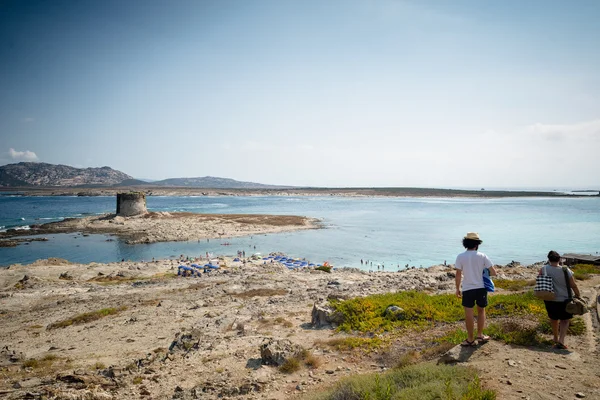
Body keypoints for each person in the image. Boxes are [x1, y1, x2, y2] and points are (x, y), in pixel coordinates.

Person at [455, 232, 497, 346]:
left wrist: (457, 288)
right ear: (477, 244)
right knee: (481, 311)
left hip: (467, 288)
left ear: (465, 243)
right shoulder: (482, 256)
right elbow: (494, 272)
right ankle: (480, 334)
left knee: (468, 313)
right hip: (481, 288)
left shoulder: (460, 257)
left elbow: (458, 274)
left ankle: (470, 339)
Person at [540, 250, 580, 349]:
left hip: (549, 298)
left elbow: (540, 280)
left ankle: (555, 338)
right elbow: (573, 285)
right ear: (559, 259)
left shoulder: (543, 268)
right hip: (564, 300)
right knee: (565, 320)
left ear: (548, 259)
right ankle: (561, 340)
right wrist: (578, 295)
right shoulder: (566, 270)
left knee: (553, 319)